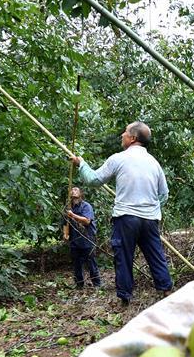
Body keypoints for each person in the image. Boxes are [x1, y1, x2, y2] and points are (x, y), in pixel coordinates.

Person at [72, 121, 172, 306]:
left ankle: (125, 298)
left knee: (123, 257)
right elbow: (164, 194)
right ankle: (166, 291)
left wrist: (81, 163)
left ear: (133, 138)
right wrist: (152, 208)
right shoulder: (154, 163)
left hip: (126, 218)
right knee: (155, 255)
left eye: (125, 132)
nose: (122, 135)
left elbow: (94, 180)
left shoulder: (118, 158)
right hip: (150, 220)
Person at [63, 186, 102, 290]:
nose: (73, 191)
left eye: (76, 189)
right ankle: (79, 285)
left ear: (81, 193)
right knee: (76, 263)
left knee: (91, 262)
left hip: (87, 238)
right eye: (72, 190)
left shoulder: (86, 206)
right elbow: (64, 222)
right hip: (74, 240)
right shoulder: (68, 208)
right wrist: (65, 233)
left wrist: (72, 215)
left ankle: (97, 285)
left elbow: (87, 221)